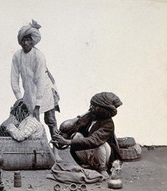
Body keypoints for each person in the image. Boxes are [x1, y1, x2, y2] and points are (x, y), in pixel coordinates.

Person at [10, 19, 62, 161]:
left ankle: (56, 152)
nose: (25, 43)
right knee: (33, 122)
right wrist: (19, 98)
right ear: (20, 42)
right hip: (29, 92)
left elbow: (40, 80)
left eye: (28, 40)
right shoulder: (17, 56)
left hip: (44, 90)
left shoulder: (39, 56)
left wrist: (38, 104)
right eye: (23, 40)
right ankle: (40, 151)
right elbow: (14, 77)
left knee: (50, 121)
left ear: (33, 41)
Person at [51, 92, 123, 179]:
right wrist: (62, 137)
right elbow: (75, 127)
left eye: (94, 105)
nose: (90, 107)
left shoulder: (108, 124)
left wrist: (67, 142)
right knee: (76, 136)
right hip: (91, 154)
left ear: (103, 109)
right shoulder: (90, 116)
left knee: (101, 144)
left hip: (104, 155)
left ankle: (102, 169)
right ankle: (87, 165)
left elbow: (94, 140)